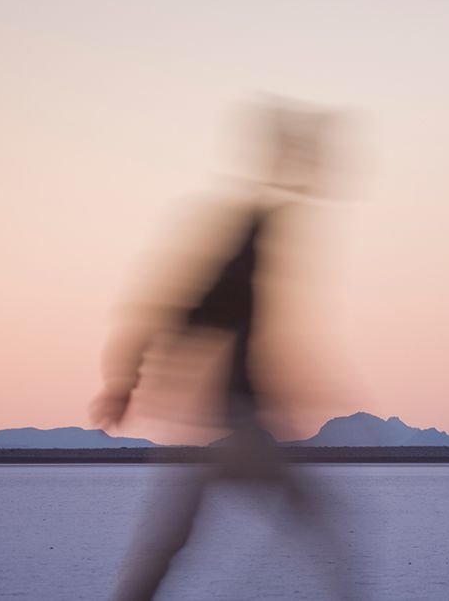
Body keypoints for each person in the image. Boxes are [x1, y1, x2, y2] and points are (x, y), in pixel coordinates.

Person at [91, 99, 356, 600]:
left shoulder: (257, 233)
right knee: (327, 528)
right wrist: (125, 380)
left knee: (169, 542)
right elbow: (175, 311)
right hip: (232, 426)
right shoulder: (247, 240)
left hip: (221, 425)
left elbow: (203, 322)